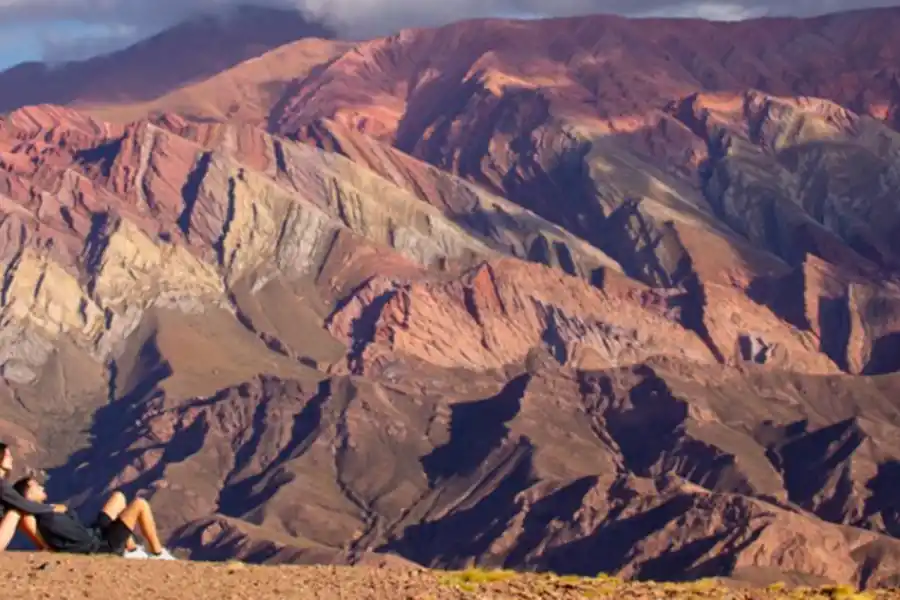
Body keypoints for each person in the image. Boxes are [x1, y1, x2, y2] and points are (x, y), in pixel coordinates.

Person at [13, 476, 175, 559]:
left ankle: (131, 550)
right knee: (140, 504)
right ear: (28, 495)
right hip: (101, 545)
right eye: (36, 486)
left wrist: (59, 509)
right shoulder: (47, 519)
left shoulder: (45, 511)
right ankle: (158, 554)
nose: (41, 486)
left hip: (95, 533)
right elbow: (81, 541)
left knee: (118, 497)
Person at [0, 442, 65, 551]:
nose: (11, 459)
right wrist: (53, 508)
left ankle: (45, 546)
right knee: (16, 512)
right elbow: (25, 505)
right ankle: (45, 546)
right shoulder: (2, 487)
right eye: (7, 455)